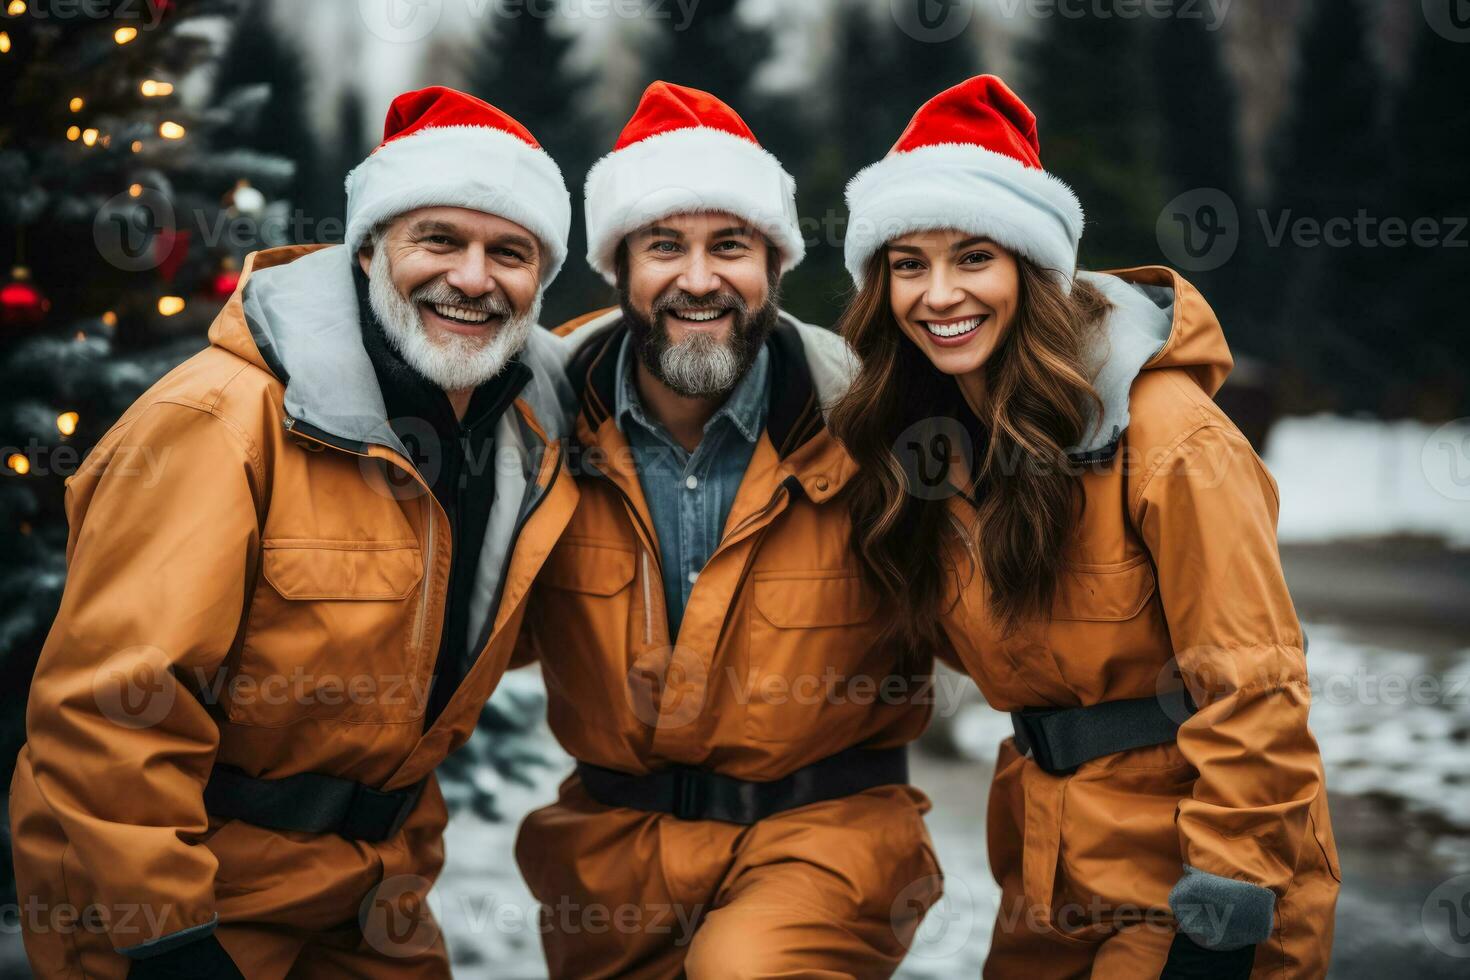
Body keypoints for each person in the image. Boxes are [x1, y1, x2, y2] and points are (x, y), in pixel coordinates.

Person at [10, 86, 579, 978]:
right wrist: (166, 936)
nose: (473, 279)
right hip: (188, 889)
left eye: (509, 252)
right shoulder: (219, 422)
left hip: (374, 897)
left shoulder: (521, 435)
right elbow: (108, 706)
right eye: (437, 239)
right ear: (365, 253)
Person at [831, 75, 1340, 978]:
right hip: (1046, 877)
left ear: (1035, 268)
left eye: (974, 257)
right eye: (909, 264)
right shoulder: (933, 448)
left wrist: (1224, 909)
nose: (939, 294)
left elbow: (1255, 684)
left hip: (1199, 875)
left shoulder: (1170, 434)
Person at [512, 81, 942, 978]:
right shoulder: (536, 428)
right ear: (618, 265)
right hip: (610, 861)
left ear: (775, 268)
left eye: (731, 246)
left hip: (823, 837)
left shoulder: (872, 423)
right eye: (665, 245)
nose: (699, 279)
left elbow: (1003, 624)